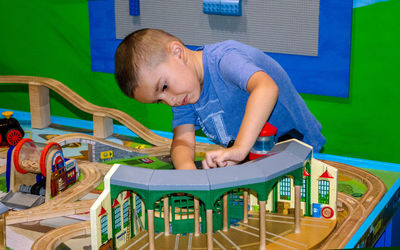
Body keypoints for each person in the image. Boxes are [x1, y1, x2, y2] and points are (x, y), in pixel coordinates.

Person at [114, 28, 325, 170]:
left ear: (177, 52)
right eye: (159, 100)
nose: (170, 101)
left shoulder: (225, 59)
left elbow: (266, 88)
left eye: (164, 87)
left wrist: (239, 149)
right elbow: (182, 142)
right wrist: (189, 176)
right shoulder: (185, 95)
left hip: (297, 148)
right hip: (255, 158)